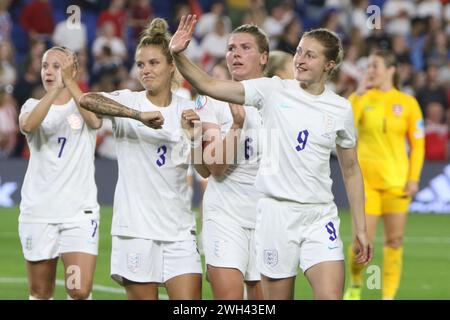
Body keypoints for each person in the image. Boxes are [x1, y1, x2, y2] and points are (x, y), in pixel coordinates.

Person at [170, 15, 373, 300]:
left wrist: (361, 228)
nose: (300, 59)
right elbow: (209, 85)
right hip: (276, 215)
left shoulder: (340, 109)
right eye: (299, 51)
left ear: (329, 65)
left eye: (310, 55)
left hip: (319, 214)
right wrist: (178, 55)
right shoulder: (273, 90)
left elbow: (351, 170)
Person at [79, 18, 203, 300]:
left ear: (172, 65)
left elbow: (204, 170)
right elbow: (87, 99)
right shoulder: (129, 101)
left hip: (179, 229)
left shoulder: (188, 108)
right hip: (135, 230)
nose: (146, 70)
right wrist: (137, 116)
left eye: (154, 63)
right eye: (141, 64)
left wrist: (194, 136)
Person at [18, 46, 102, 300]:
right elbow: (29, 125)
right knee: (40, 292)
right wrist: (55, 90)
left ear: (72, 70)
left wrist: (70, 84)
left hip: (79, 213)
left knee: (79, 290)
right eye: (45, 66)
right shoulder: (32, 105)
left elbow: (95, 121)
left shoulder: (86, 102)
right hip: (39, 212)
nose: (49, 71)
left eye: (58, 66)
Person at [194, 24, 268, 300]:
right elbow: (214, 167)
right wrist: (236, 126)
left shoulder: (277, 100)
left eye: (245, 47)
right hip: (224, 216)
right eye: (230, 48)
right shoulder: (211, 100)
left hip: (266, 218)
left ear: (263, 57)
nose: (235, 54)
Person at [344, 50, 425, 300]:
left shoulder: (408, 103)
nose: (370, 70)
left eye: (375, 65)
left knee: (394, 241)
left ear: (391, 69)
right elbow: (345, 126)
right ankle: (356, 284)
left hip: (396, 184)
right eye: (368, 66)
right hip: (366, 184)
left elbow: (418, 144)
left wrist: (413, 178)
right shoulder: (360, 99)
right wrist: (358, 94)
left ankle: (387, 296)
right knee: (361, 240)